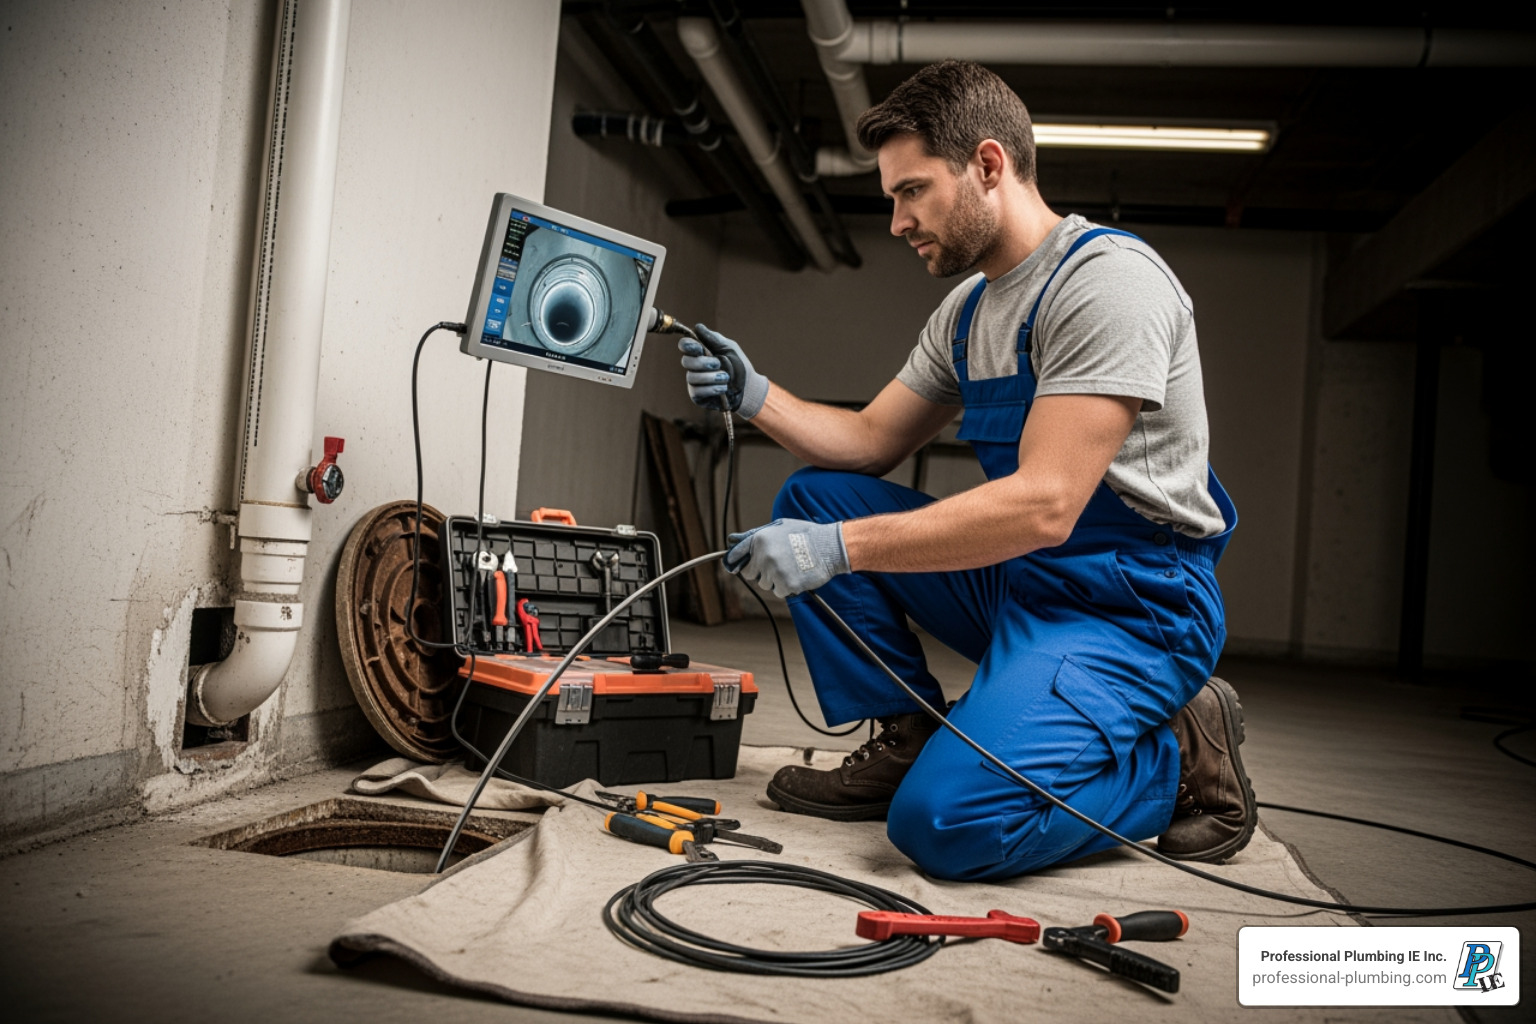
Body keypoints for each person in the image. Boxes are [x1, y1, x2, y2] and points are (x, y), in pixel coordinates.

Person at [678, 60, 1255, 882]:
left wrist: (837, 550)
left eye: (912, 190)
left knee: (948, 824)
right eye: (890, 197)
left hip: (1131, 605)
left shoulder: (1108, 284)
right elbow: (872, 441)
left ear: (988, 165)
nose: (896, 220)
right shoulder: (970, 310)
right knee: (815, 496)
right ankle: (907, 732)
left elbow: (1048, 505)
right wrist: (755, 395)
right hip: (1024, 580)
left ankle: (1176, 754)